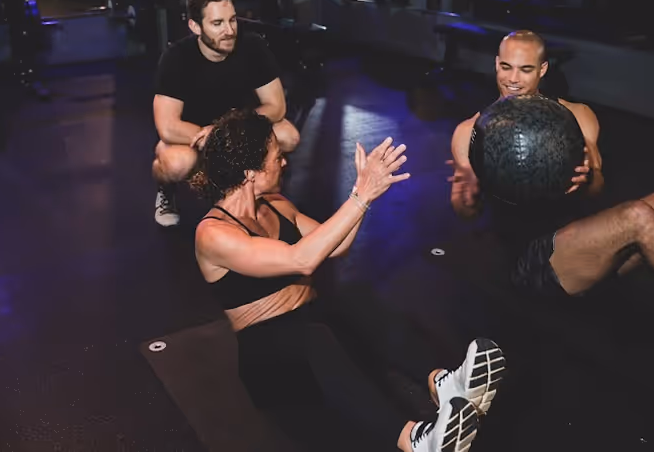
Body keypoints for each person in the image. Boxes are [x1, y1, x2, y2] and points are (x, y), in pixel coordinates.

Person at [448, 30, 654, 362]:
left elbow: (597, 191)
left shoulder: (576, 117)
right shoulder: (470, 132)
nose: (513, 79)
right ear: (495, 64)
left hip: (586, 244)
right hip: (534, 264)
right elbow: (467, 213)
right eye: (506, 67)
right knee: (637, 216)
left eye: (525, 69)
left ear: (543, 70)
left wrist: (588, 176)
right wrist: (467, 194)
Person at [191, 109, 507, 451]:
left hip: (310, 325)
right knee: (313, 337)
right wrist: (360, 197)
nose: (283, 163)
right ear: (250, 171)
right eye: (276, 157)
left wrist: (362, 193)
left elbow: (336, 246)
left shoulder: (277, 204)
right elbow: (303, 259)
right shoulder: (213, 234)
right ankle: (416, 441)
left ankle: (444, 383)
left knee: (353, 298)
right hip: (268, 361)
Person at [151, 0, 301, 227]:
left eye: (232, 20)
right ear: (195, 26)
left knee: (288, 136)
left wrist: (223, 132)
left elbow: (276, 107)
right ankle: (166, 190)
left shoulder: (252, 46)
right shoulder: (176, 58)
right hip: (193, 135)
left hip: (236, 129)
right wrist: (218, 135)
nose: (229, 30)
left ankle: (259, 190)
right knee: (176, 164)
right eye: (217, 23)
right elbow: (167, 126)